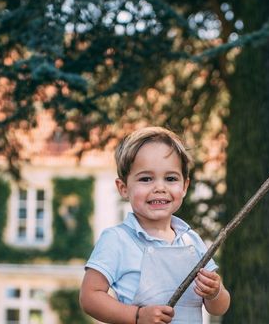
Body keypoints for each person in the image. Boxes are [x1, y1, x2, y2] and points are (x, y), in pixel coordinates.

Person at [80, 127, 231, 324]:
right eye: (146, 179)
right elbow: (89, 297)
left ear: (184, 186)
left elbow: (219, 308)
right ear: (123, 188)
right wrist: (137, 316)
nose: (159, 188)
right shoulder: (117, 239)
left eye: (170, 179)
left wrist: (215, 292)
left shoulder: (191, 241)